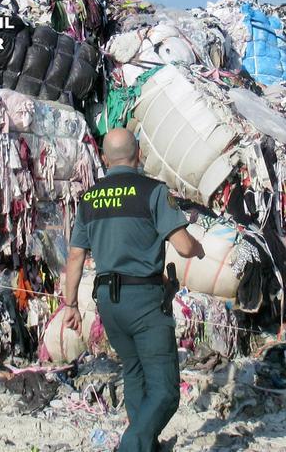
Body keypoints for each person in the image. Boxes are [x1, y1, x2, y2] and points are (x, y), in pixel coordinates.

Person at [62, 128, 204, 452]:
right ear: (138, 153)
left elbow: (74, 256)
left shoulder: (89, 199)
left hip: (109, 305)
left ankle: (146, 446)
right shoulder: (153, 191)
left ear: (102, 157)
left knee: (135, 371)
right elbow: (182, 246)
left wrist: (70, 304)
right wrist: (197, 248)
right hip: (145, 302)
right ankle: (132, 445)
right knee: (166, 389)